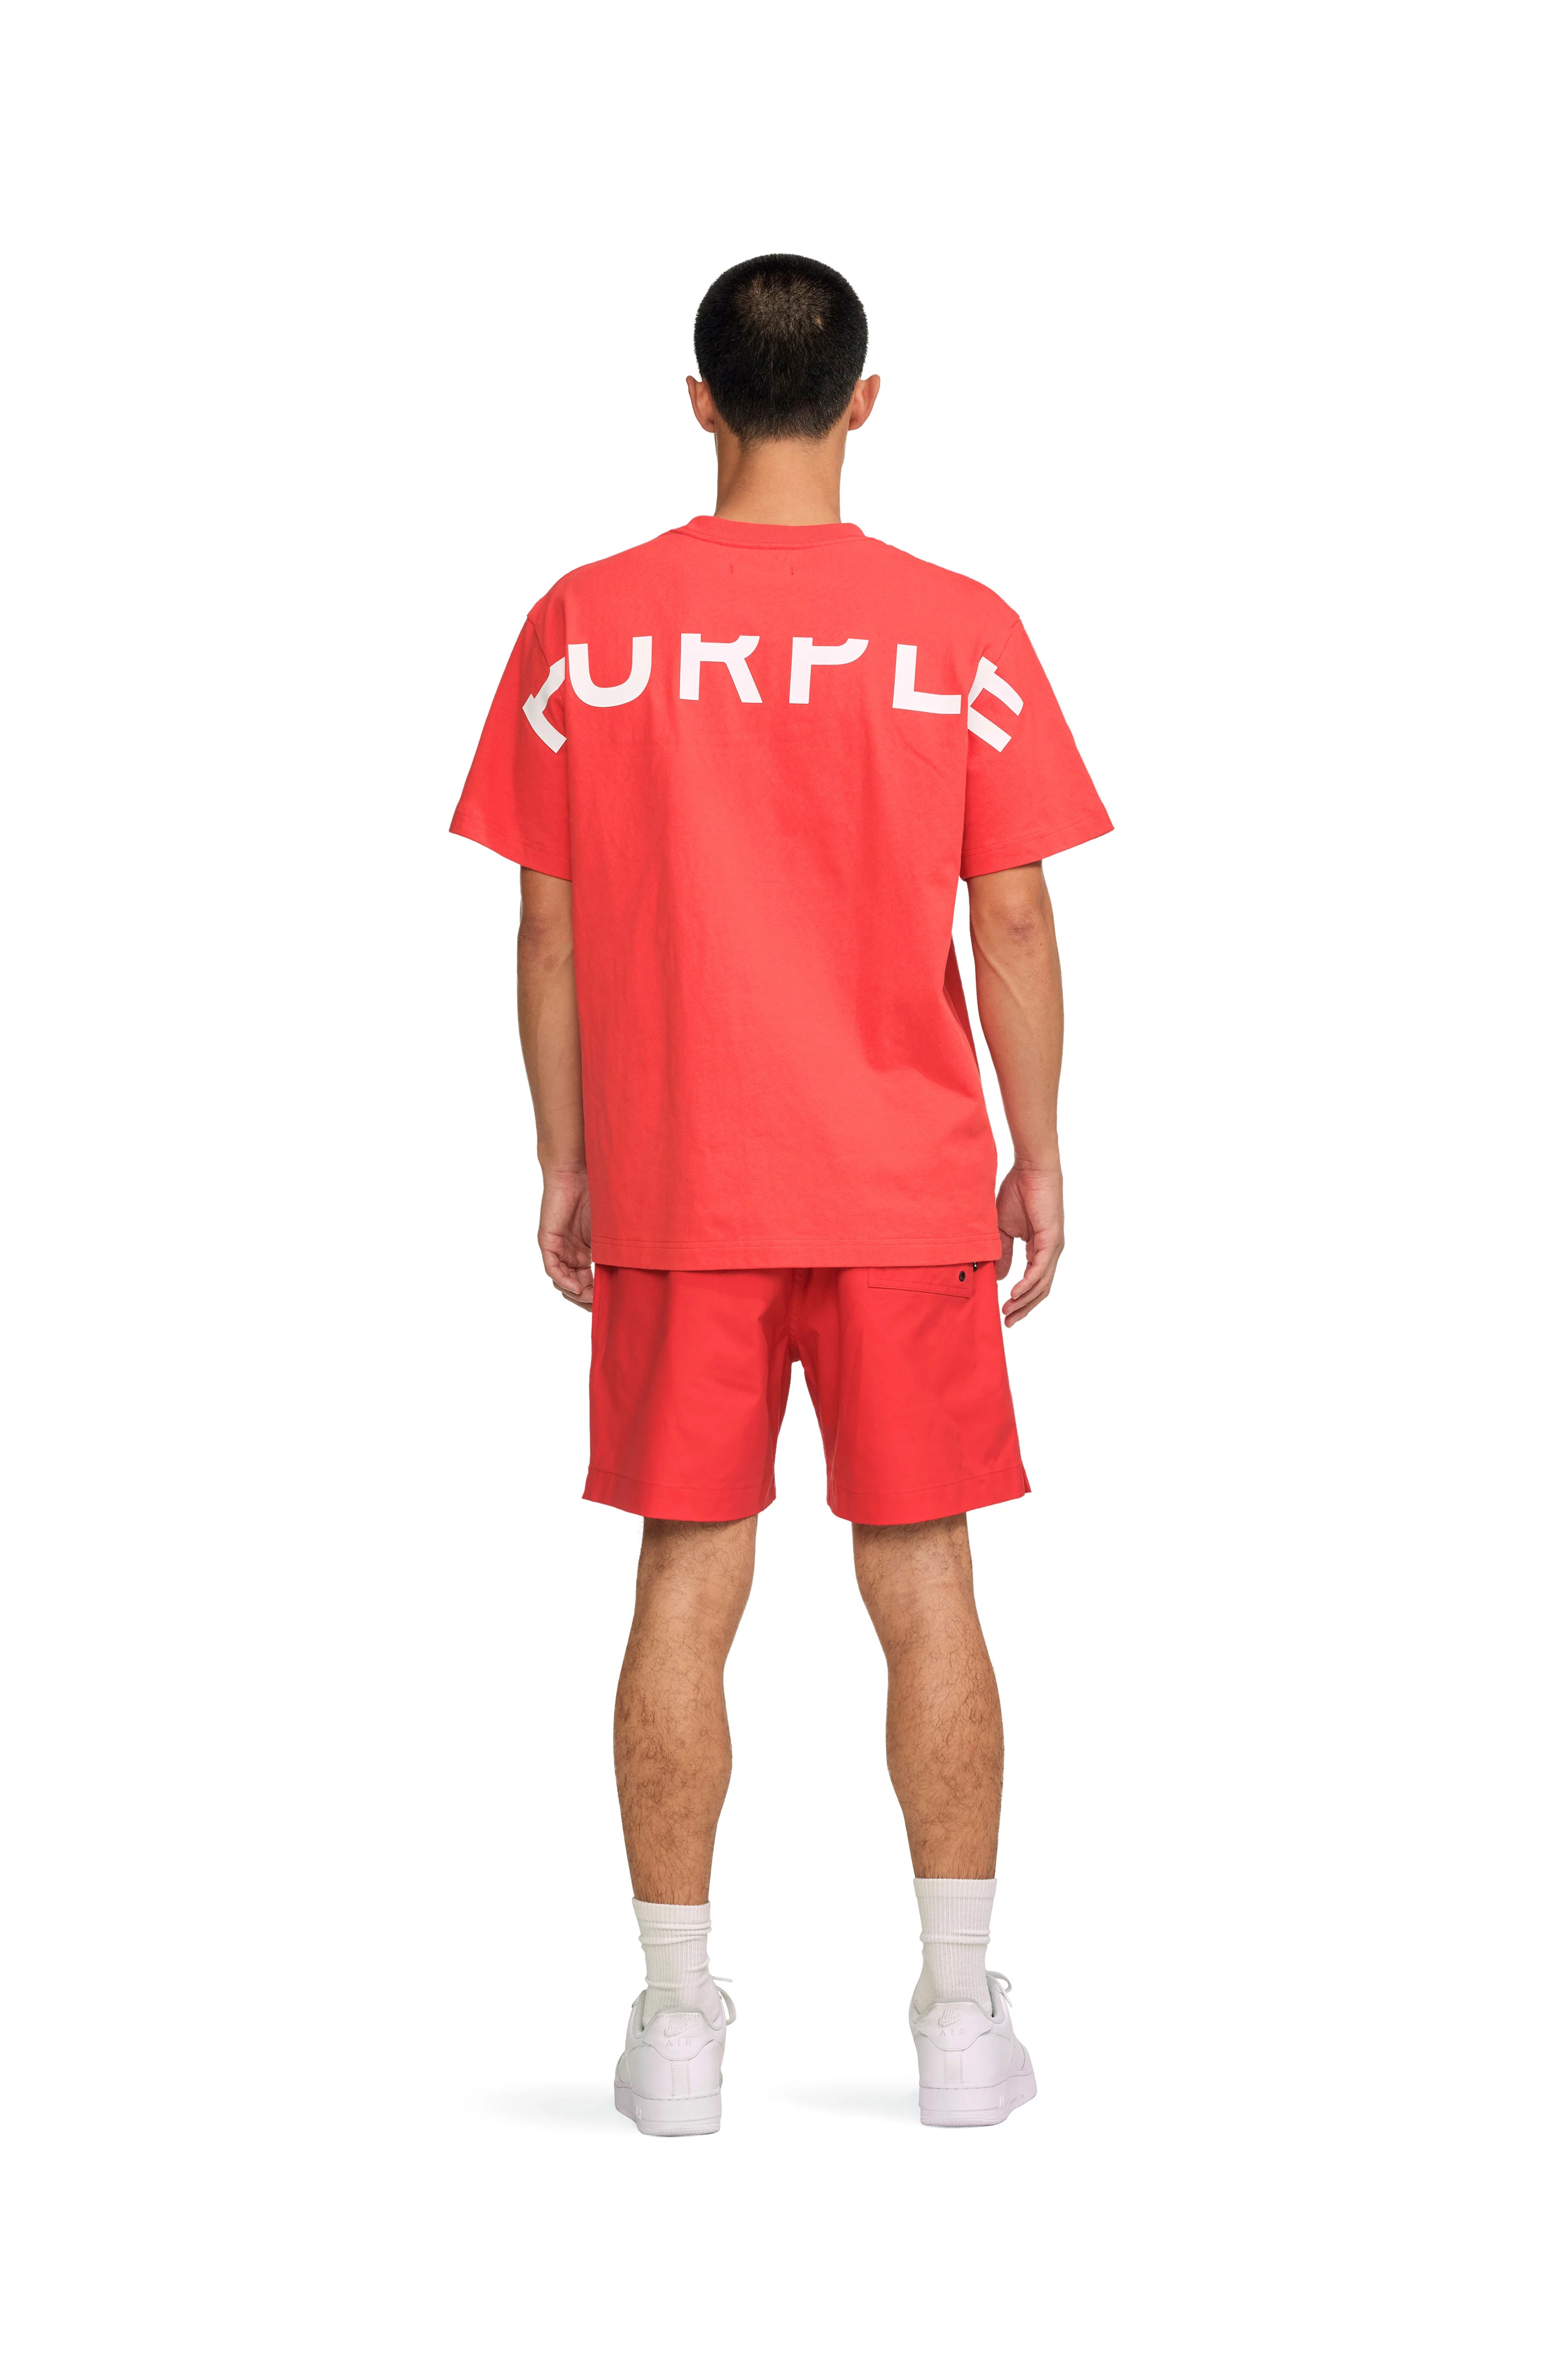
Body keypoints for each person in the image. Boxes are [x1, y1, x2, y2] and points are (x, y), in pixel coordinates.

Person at [450, 253, 1112, 2134]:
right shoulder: (958, 632)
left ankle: (676, 2030)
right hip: (905, 1191)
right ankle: (959, 2020)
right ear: (864, 401)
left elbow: (548, 928)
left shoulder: (586, 625)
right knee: (925, 1580)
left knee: (686, 1575)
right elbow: (1010, 914)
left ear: (698, 399)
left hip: (684, 1185)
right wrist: (1038, 1143)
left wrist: (566, 1153)